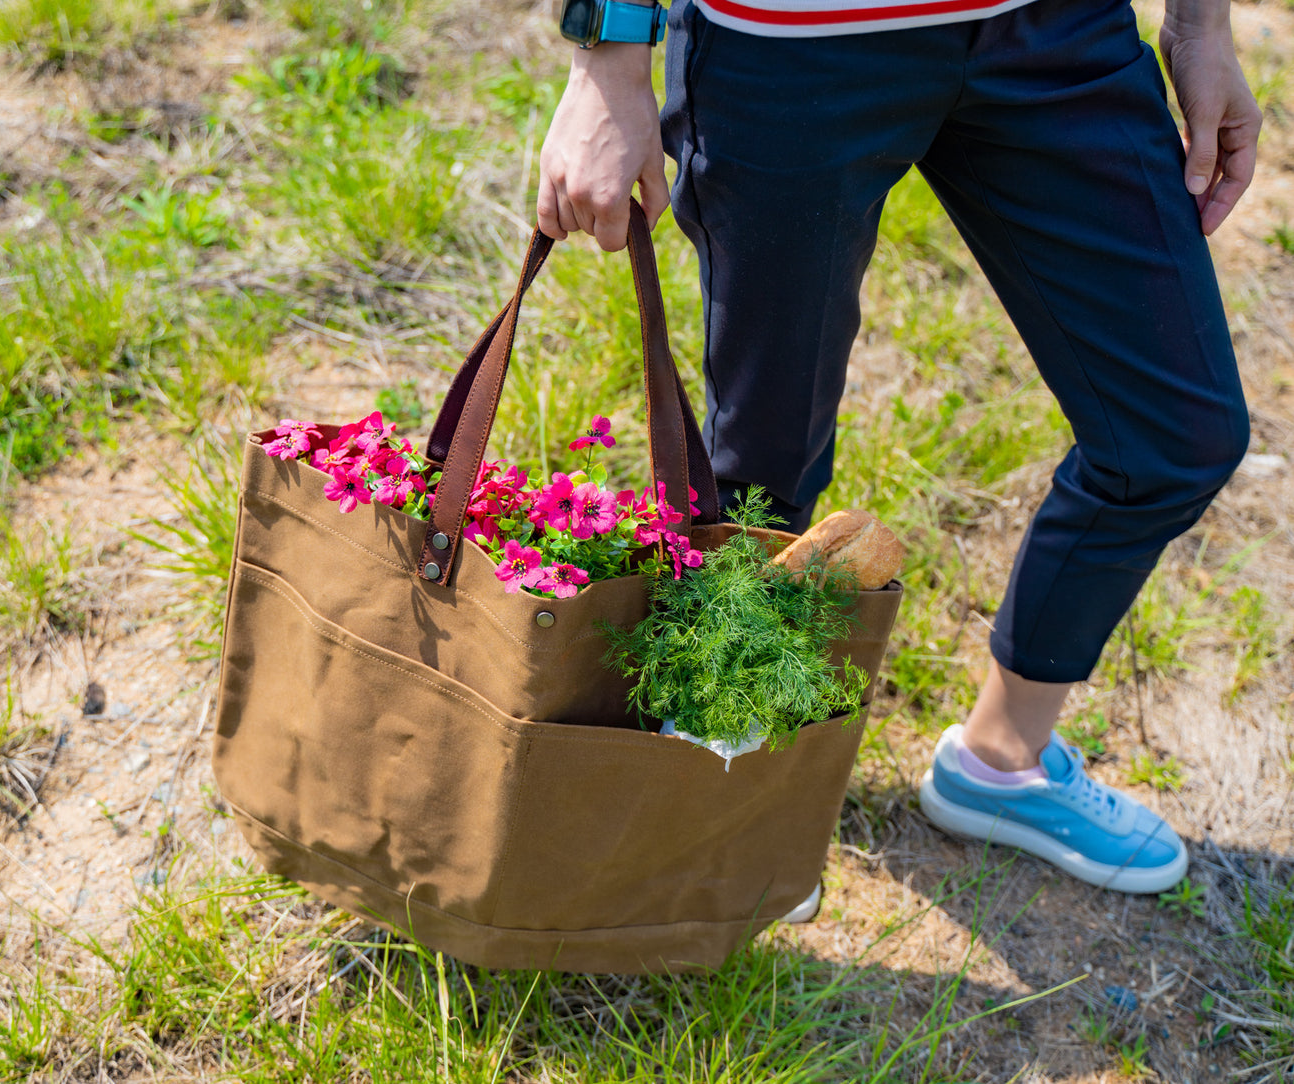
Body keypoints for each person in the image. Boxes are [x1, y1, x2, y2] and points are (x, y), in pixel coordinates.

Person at [537, 0, 1260, 894]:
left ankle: (1001, 762)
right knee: (766, 469)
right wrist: (607, 55)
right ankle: (730, 803)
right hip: (790, 46)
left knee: (1175, 435)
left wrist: (1199, 26)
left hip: (1058, 32)